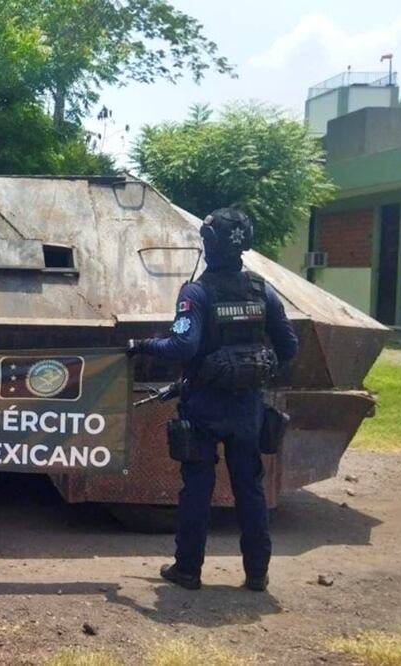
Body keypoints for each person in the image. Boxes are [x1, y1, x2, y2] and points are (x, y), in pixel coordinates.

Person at [127, 208, 298, 592]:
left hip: (204, 406)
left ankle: (188, 571)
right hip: (247, 409)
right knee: (250, 489)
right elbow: (289, 346)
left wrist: (142, 346)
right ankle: (257, 574)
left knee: (197, 490)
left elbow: (182, 346)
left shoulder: (196, 293)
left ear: (208, 245)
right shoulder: (262, 291)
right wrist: (256, 365)